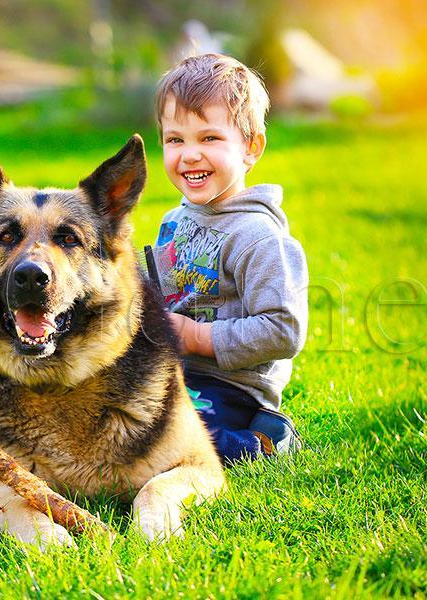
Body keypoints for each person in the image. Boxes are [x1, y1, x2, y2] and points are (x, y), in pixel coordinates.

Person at [146, 53, 308, 463]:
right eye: (175, 140)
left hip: (231, 387)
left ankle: (263, 442)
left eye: (209, 139)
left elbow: (284, 330)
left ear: (251, 148)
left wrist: (197, 337)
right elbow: (165, 291)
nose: (190, 155)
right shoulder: (175, 220)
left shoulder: (257, 236)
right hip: (174, 367)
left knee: (174, 438)